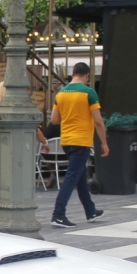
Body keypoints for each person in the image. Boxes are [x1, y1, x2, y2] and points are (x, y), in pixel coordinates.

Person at [49, 62, 108, 228]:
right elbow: (98, 121)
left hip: (66, 140)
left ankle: (90, 211)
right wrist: (104, 142)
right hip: (81, 140)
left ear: (73, 74)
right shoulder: (89, 92)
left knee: (80, 176)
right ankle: (58, 215)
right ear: (87, 76)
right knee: (71, 177)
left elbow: (54, 120)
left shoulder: (61, 93)